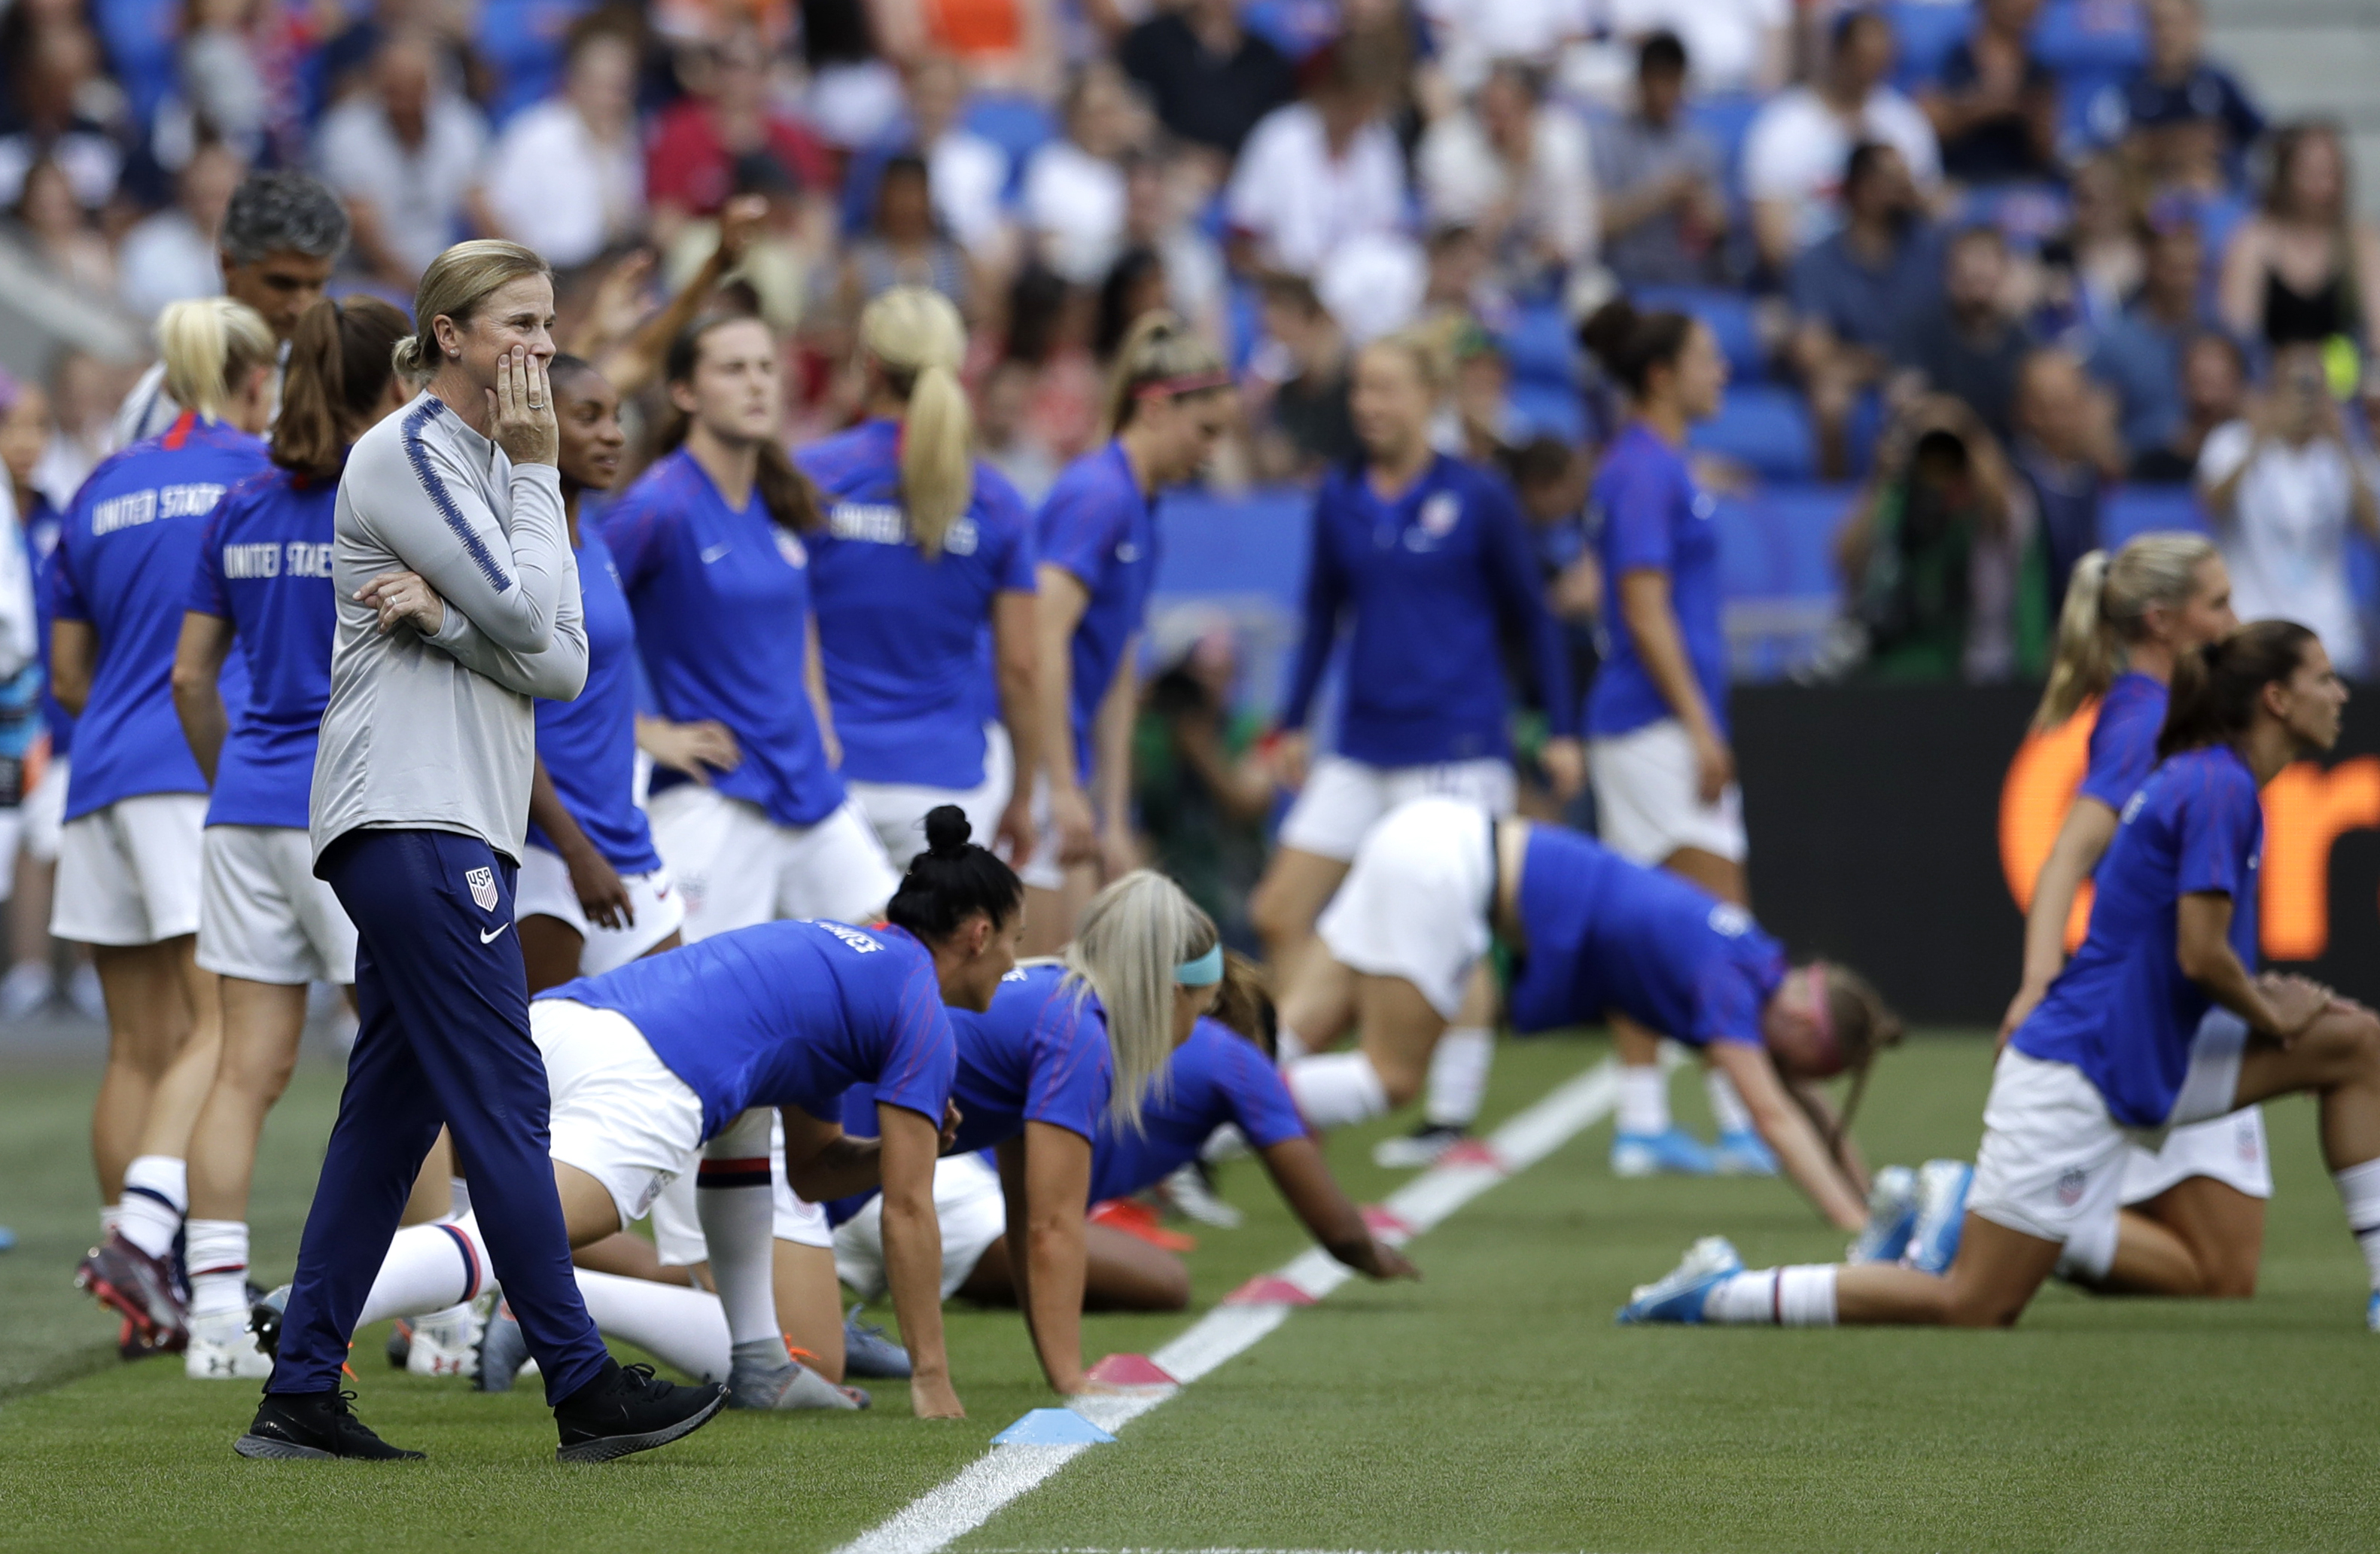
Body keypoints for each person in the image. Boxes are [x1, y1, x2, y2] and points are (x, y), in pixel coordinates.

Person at [240, 239, 721, 1465]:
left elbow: (556, 659)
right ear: (448, 335)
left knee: (388, 1119)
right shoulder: (406, 453)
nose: (543, 347)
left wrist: (452, 617)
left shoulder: (491, 461)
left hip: (449, 816)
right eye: (519, 323)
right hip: (415, 815)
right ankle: (583, 1384)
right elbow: (534, 626)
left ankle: (300, 1389)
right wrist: (533, 486)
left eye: (549, 323)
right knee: (507, 1098)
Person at [1620, 622, 2380, 1334]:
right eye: (2322, 678)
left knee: (2355, 1044)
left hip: (2147, 1055)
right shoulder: (2220, 789)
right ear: (2277, 700)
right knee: (1972, 1304)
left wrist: (2268, 1003)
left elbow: (2188, 956)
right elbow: (2200, 956)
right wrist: (2271, 1012)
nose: (2340, 692)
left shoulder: (2215, 780)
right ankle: (1723, 1292)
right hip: (2083, 1069)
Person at [263, 808, 1020, 1414]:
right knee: (521, 1233)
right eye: (1015, 940)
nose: (1016, 960)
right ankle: (315, 1308)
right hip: (648, 1070)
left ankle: (760, 1361)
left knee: (743, 1115)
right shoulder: (918, 998)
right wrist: (932, 1376)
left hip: (565, 1020)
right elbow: (909, 1212)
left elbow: (817, 1170)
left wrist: (902, 1152)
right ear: (980, 935)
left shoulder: (846, 955)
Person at [1251, 326, 1582, 1162]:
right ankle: (1283, 1090)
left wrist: (1563, 730)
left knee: (1457, 930)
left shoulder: (1480, 495)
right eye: (1361, 388)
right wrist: (1292, 721)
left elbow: (1534, 617)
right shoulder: (1338, 494)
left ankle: (1449, 1116)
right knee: (1279, 910)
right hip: (1361, 744)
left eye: (1386, 388)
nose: (1368, 404)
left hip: (1456, 745)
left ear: (1430, 398)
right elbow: (1320, 614)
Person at [1278, 796, 1898, 1231]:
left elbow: (1802, 1101)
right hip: (1445, 871)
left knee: (1294, 1035)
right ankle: (1231, 1109)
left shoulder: (1754, 956)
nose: (1794, 1075)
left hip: (1427, 830)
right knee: (1389, 1077)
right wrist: (1850, 1219)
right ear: (1804, 1026)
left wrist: (1866, 1196)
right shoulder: (1732, 986)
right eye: (1809, 1063)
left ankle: (1219, 1107)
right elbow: (1773, 1114)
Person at [166, 296, 412, 1380]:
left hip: (246, 813)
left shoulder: (241, 504)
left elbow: (190, 678)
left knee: (242, 1070)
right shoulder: (389, 492)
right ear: (391, 380)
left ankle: (217, 1314)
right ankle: (432, 1317)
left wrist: (235, 782)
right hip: (355, 808)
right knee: (411, 1060)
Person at [62, 298, 275, 1358]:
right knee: (224, 1025)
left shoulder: (101, 481)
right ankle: (144, 1251)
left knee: (136, 1045)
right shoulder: (265, 472)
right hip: (200, 768)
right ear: (254, 379)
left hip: (99, 773)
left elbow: (68, 672)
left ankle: (145, 1292)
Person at [838, 870, 1244, 1394]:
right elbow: (1053, 1227)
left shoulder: (1053, 999)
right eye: (1202, 1009)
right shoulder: (1079, 1035)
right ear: (1170, 994)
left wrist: (1060, 1369)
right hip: (813, 1163)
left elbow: (1026, 1209)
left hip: (826, 1165)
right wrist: (1070, 1378)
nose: (1196, 1030)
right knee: (784, 1358)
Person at [1992, 535, 2270, 1297]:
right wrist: (2037, 982)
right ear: (2162, 621)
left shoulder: (2166, 711)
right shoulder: (2146, 721)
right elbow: (2067, 854)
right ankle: (1976, 1209)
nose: (2235, 621)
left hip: (2179, 1012)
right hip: (2164, 1018)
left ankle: (2002, 1217)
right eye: (2218, 603)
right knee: (2222, 1271)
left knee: (2214, 1269)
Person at [837, 965, 1417, 1312]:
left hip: (870, 1171)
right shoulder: (1234, 1058)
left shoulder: (1100, 1010)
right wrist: (1377, 1257)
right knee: (1164, 1281)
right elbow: (1337, 1229)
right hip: (948, 1190)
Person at [600, 311, 901, 944]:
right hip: (717, 793)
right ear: (685, 393)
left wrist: (819, 715)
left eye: (766, 367)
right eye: (733, 370)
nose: (758, 383)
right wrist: (645, 733)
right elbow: (566, 621)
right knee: (698, 992)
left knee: (899, 956)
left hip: (809, 786)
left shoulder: (781, 494)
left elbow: (797, 612)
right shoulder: (658, 505)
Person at [1574, 298, 1767, 1178]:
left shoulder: (1646, 465)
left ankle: (1644, 1120)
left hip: (1639, 722)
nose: (1721, 372)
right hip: (1655, 724)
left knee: (1642, 923)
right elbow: (1645, 609)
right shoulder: (1645, 471)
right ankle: (1739, 1121)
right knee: (1719, 921)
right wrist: (1700, 727)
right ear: (1661, 376)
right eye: (1705, 358)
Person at [802, 287, 1039, 870]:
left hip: (826, 779)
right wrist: (1024, 795)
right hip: (949, 789)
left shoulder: (810, 477)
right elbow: (1021, 668)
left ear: (869, 366)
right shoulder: (998, 500)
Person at [1021, 312, 1234, 955]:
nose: (1211, 451)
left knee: (1074, 965)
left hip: (1061, 764)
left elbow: (1118, 667)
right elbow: (1041, 638)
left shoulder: (1142, 507)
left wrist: (1113, 814)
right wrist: (1061, 785)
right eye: (1205, 430)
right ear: (1155, 408)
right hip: (1024, 758)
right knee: (1035, 973)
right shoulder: (1099, 496)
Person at [517, 357, 697, 992]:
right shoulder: (515, 555)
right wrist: (574, 851)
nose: (613, 435)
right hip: (546, 854)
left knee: (680, 1035)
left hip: (621, 842)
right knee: (537, 1051)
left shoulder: (595, 542)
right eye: (588, 418)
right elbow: (503, 726)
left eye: (616, 418)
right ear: (536, 425)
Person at [112, 170, 349, 449]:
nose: (302, 307)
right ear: (229, 264)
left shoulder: (339, 374)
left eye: (316, 285)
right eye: (282, 284)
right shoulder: (170, 395)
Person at [2198, 340, 2380, 678]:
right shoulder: (2233, 440)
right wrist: (2260, 437)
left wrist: (2344, 445)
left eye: (2315, 390)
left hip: (2330, 637)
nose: (2306, 401)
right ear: (2272, 390)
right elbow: (2210, 505)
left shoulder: (2341, 455)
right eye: (2297, 387)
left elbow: (2374, 530)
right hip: (2254, 629)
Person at [1788, 142, 1943, 480]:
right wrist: (1884, 364)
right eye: (1894, 180)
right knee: (1830, 396)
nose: (1907, 189)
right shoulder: (1817, 261)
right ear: (1861, 189)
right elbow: (1812, 351)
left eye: (1908, 179)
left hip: (1925, 367)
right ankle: (1833, 500)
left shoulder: (1930, 249)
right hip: (1862, 369)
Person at [1742, 8, 1940, 272]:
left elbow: (1930, 209)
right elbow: (1773, 242)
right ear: (1839, 53)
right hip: (1811, 275)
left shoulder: (1904, 123)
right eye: (1862, 58)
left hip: (1892, 275)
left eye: (1881, 61)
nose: (1870, 71)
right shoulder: (1783, 127)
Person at [313, 32, 488, 290]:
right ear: (376, 84)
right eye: (394, 89)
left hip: (442, 266)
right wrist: (423, 290)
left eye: (415, 87)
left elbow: (480, 206)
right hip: (367, 272)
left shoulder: (460, 124)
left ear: (435, 87)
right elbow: (364, 229)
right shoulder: (344, 131)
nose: (404, 101)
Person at [1414, 60, 1597, 302]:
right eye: (1489, 112)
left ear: (1531, 110)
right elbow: (1454, 254)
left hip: (1550, 279)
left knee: (1594, 293)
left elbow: (1579, 238)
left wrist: (1547, 252)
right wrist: (1515, 180)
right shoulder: (1446, 149)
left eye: (1506, 113)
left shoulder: (1563, 141)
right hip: (1476, 282)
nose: (1496, 125)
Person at [470, 20, 644, 270]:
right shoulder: (535, 134)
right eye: (601, 86)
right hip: (547, 268)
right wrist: (526, 273)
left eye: (620, 88)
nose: (610, 99)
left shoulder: (631, 136)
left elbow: (624, 222)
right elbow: (483, 204)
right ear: (575, 83)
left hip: (604, 266)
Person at [2218, 121, 2380, 354]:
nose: (2324, 185)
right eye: (2312, 173)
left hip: (2346, 375)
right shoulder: (2254, 240)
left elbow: (2377, 336)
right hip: (2270, 373)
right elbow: (2239, 335)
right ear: (2284, 175)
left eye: (2331, 172)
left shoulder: (2361, 241)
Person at [1594, 31, 1730, 291]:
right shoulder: (1608, 140)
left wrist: (1702, 208)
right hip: (1625, 281)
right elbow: (1599, 224)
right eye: (1656, 78)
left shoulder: (1702, 146)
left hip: (1690, 282)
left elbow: (1720, 228)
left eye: (1671, 79)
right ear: (1640, 79)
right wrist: (1661, 194)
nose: (1662, 90)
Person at [1892, 225, 2038, 443]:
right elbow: (1905, 397)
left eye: (1984, 276)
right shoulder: (1920, 330)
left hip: (2011, 450)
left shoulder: (2023, 338)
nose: (1975, 283)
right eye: (1966, 275)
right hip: (1942, 445)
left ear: (2004, 272)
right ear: (1948, 275)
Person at [2085, 219, 2215, 461]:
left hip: (2217, 468)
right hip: (2142, 470)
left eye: (2194, 269)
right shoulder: (2116, 343)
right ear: (2150, 266)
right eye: (2174, 269)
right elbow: (2097, 433)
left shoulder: (2222, 335)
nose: (2186, 281)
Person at [1117, 0, 1295, 159]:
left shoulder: (1266, 59)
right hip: (1163, 165)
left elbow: (1276, 132)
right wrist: (1180, 155)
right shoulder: (1153, 40)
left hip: (1245, 171)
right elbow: (1131, 113)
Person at [2117, 0, 2265, 193]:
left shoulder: (2219, 83)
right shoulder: (2129, 89)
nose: (2167, 34)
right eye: (2157, 24)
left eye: (2175, 24)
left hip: (2217, 193)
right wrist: (2177, 144)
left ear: (2196, 26)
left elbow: (2257, 134)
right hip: (2152, 196)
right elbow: (2121, 149)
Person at [1918, 0, 2058, 187]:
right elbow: (1923, 126)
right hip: (1957, 182)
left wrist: (2035, 118)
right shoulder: (1950, 60)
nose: (2026, 5)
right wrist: (1985, 106)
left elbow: (2045, 150)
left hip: (2020, 186)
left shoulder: (2040, 72)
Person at [2132, 332, 2248, 483]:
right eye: (2200, 381)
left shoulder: (2260, 460)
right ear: (2182, 383)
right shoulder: (2152, 467)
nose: (2206, 370)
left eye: (2215, 382)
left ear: (2238, 382)